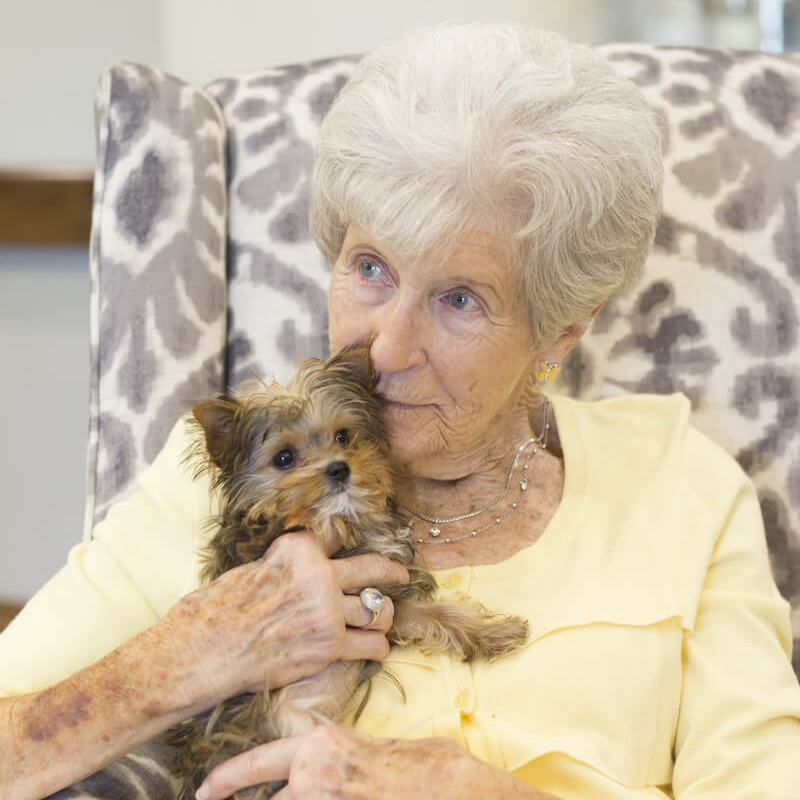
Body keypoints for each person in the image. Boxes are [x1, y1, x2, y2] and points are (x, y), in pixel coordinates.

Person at [1, 20, 799, 800]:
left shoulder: (679, 484)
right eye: (371, 267)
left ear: (561, 328)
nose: (384, 348)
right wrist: (187, 655)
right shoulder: (228, 470)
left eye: (459, 298)